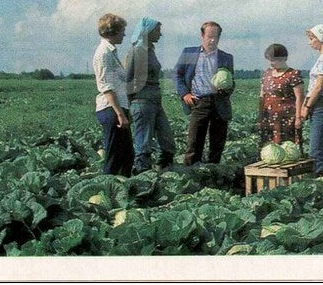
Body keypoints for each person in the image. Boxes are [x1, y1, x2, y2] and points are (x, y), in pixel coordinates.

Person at [174, 21, 234, 165]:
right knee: (194, 144)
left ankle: (213, 176)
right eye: (209, 36)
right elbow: (177, 75)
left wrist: (226, 89)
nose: (212, 40)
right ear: (202, 35)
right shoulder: (189, 53)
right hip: (198, 102)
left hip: (219, 102)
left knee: (217, 144)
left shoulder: (226, 57)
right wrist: (185, 94)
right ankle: (191, 176)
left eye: (216, 37)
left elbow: (232, 81)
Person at [124, 17, 176, 173]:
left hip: (155, 101)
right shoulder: (136, 51)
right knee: (144, 143)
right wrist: (128, 105)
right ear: (148, 32)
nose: (160, 34)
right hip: (142, 102)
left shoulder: (150, 49)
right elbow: (127, 79)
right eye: (158, 30)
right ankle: (142, 176)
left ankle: (164, 170)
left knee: (167, 141)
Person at [92, 13, 133, 176]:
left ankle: (122, 188)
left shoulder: (111, 52)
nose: (124, 34)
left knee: (126, 155)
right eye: (122, 30)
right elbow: (106, 87)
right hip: (111, 110)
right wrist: (120, 114)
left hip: (117, 109)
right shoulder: (104, 53)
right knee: (114, 156)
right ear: (113, 31)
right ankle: (108, 188)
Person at [300, 25, 323, 176]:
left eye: (312, 38)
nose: (310, 42)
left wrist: (307, 106)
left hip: (320, 104)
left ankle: (318, 179)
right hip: (320, 103)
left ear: (321, 39)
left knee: (316, 149)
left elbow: (319, 86)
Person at [256, 44, 304, 148]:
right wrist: (260, 116)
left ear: (284, 58)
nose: (271, 63)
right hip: (268, 117)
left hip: (287, 119)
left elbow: (299, 98)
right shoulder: (267, 74)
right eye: (269, 60)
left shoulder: (293, 74)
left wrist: (298, 118)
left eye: (274, 60)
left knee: (287, 147)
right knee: (269, 148)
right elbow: (262, 96)